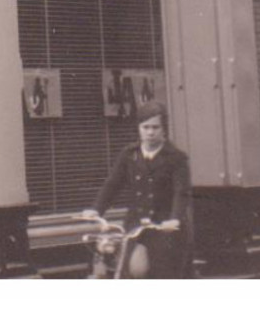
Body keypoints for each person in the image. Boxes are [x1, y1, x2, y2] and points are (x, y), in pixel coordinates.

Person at [81, 101, 190, 278]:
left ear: (164, 129)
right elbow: (113, 184)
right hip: (135, 227)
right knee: (128, 271)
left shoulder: (176, 158)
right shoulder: (129, 154)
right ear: (138, 128)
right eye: (145, 127)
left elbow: (181, 192)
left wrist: (175, 219)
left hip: (163, 228)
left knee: (161, 274)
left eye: (155, 127)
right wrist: (96, 209)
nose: (150, 132)